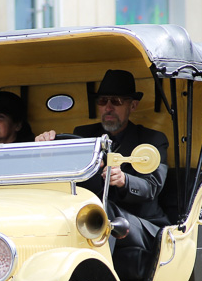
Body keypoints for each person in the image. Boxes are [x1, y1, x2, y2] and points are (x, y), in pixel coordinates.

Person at [36, 69, 169, 252]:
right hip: (90, 218)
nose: (108, 107)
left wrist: (124, 180)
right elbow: (67, 175)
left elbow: (152, 187)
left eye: (116, 101)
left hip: (144, 225)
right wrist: (47, 148)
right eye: (102, 101)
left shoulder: (152, 139)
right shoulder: (83, 135)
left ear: (133, 106)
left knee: (102, 211)